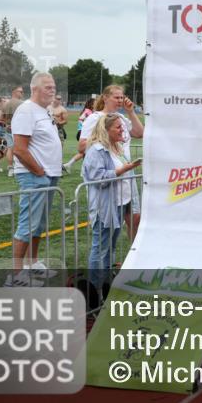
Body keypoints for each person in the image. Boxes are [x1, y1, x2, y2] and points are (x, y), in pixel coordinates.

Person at [9, 73, 63, 286]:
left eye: (53, 86)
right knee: (27, 224)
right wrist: (39, 172)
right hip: (35, 176)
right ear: (34, 89)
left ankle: (32, 263)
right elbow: (19, 149)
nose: (52, 90)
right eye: (48, 87)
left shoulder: (44, 110)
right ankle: (16, 274)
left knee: (38, 224)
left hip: (48, 175)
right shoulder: (26, 110)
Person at [82, 114, 142, 295]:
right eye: (118, 127)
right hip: (105, 206)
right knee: (100, 248)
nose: (122, 130)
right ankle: (94, 290)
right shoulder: (96, 150)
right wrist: (124, 169)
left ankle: (106, 284)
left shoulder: (117, 147)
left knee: (110, 247)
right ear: (106, 130)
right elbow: (97, 179)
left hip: (121, 203)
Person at [78, 86, 144, 238]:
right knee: (109, 221)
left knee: (135, 217)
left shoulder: (121, 118)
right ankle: (107, 252)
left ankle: (133, 252)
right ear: (105, 97)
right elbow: (81, 146)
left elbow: (139, 133)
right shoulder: (95, 118)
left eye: (122, 97)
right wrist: (107, 139)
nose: (120, 100)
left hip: (127, 170)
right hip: (108, 172)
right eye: (116, 97)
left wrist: (130, 112)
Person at [64, 97, 95, 173]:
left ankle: (72, 165)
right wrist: (85, 126)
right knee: (84, 152)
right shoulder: (88, 111)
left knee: (86, 152)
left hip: (82, 133)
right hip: (84, 133)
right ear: (91, 104)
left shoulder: (88, 111)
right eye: (95, 103)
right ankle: (68, 165)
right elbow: (81, 118)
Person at [2, 86, 26, 176]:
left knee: (10, 148)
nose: (22, 93)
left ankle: (10, 168)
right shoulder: (22, 103)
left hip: (8, 128)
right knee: (20, 148)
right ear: (14, 92)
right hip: (19, 129)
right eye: (21, 92)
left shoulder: (5, 104)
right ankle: (20, 167)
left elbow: (2, 117)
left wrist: (7, 124)